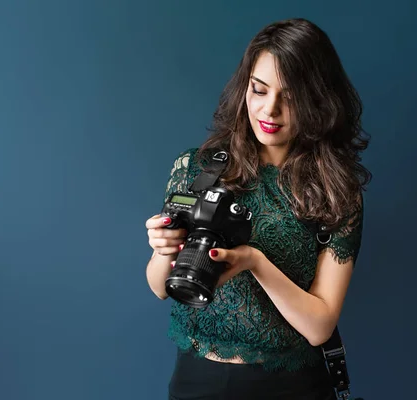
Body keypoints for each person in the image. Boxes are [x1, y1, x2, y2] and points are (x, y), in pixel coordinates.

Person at [145, 18, 372, 400]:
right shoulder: (197, 169)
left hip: (289, 386)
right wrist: (162, 249)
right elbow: (159, 287)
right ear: (244, 87)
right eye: (259, 90)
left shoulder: (337, 192)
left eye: (291, 97)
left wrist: (256, 262)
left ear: (318, 100)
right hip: (196, 380)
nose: (270, 110)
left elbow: (319, 326)